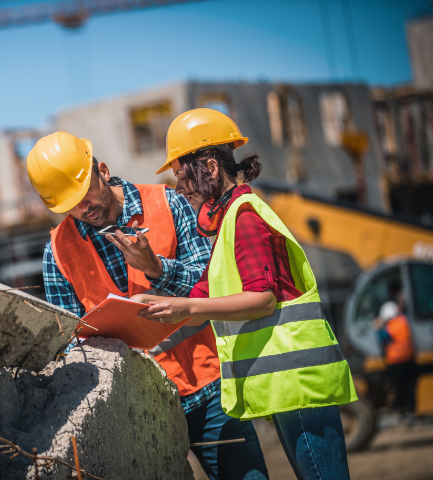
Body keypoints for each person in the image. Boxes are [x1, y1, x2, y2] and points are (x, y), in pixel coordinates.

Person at [27, 131, 270, 480]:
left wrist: (156, 269)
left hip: (208, 389)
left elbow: (213, 284)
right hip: (135, 410)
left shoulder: (168, 202)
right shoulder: (58, 252)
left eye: (85, 193)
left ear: (104, 171)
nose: (83, 207)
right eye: (70, 203)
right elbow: (69, 345)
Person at [133, 108, 358, 480]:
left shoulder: (245, 217)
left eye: (182, 175)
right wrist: (148, 304)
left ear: (208, 167)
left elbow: (262, 299)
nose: (180, 188)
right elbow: (205, 293)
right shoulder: (229, 221)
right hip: (290, 386)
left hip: (300, 384)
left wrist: (186, 305)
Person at [376, 301, 417, 416]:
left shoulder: (389, 326)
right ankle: (411, 410)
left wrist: (379, 328)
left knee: (398, 388)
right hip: (409, 359)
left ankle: (401, 411)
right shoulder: (404, 320)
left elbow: (384, 339)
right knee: (409, 387)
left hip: (395, 362)